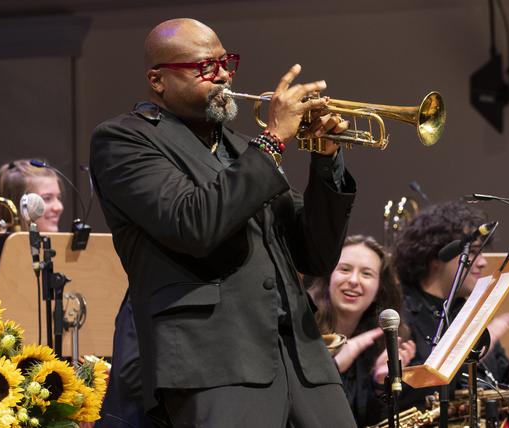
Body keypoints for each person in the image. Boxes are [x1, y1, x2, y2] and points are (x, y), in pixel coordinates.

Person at [89, 17, 357, 427]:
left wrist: (326, 159)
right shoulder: (124, 140)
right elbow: (194, 224)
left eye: (226, 62)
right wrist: (272, 140)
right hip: (213, 362)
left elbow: (315, 254)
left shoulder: (244, 149)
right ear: (158, 80)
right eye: (204, 68)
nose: (224, 75)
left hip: (304, 360)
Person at [392, 201, 509, 424]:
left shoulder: (470, 312)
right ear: (437, 254)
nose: (482, 262)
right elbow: (403, 401)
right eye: (473, 252)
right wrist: (466, 347)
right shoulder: (400, 315)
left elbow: (500, 399)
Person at [307, 235, 415, 426]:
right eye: (345, 269)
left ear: (378, 290)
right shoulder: (301, 329)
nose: (354, 281)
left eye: (366, 274)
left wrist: (380, 383)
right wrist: (338, 362)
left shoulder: (379, 341)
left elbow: (367, 421)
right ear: (329, 277)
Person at [0, 159, 66, 255]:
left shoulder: (62, 251)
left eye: (58, 197)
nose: (59, 207)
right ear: (19, 205)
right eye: (47, 198)